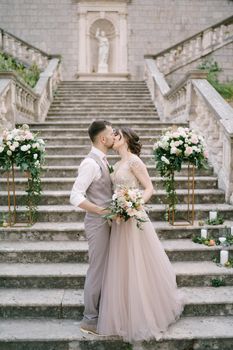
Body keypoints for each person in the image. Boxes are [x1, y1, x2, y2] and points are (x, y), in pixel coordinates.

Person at [97, 127, 184, 342]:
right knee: (122, 265)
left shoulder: (134, 161)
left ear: (125, 139)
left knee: (139, 264)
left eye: (117, 135)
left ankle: (147, 311)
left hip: (134, 218)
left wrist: (135, 204)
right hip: (119, 221)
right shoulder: (115, 164)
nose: (114, 138)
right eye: (113, 135)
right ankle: (124, 312)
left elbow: (149, 188)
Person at [70, 120, 115, 335]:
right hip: (97, 223)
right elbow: (75, 196)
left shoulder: (103, 160)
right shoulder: (90, 163)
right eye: (112, 133)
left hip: (107, 222)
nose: (115, 137)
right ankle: (89, 319)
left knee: (105, 268)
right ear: (103, 139)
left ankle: (101, 312)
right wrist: (101, 211)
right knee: (97, 269)